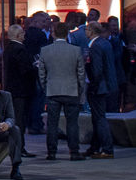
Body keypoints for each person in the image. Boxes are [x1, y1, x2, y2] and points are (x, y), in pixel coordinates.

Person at [37, 22, 90, 159]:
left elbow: (42, 73)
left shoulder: (45, 50)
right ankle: (74, 152)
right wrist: (79, 88)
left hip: (52, 90)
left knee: (52, 123)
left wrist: (46, 86)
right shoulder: (75, 50)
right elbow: (81, 73)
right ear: (67, 33)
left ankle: (52, 152)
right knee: (72, 123)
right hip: (71, 90)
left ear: (53, 33)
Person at [84, 16, 128, 157]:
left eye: (86, 29)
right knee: (98, 117)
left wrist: (93, 85)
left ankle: (107, 148)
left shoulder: (95, 46)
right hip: (109, 84)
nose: (85, 31)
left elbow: (97, 69)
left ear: (91, 31)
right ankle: (95, 147)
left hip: (99, 86)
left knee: (99, 117)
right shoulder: (106, 43)